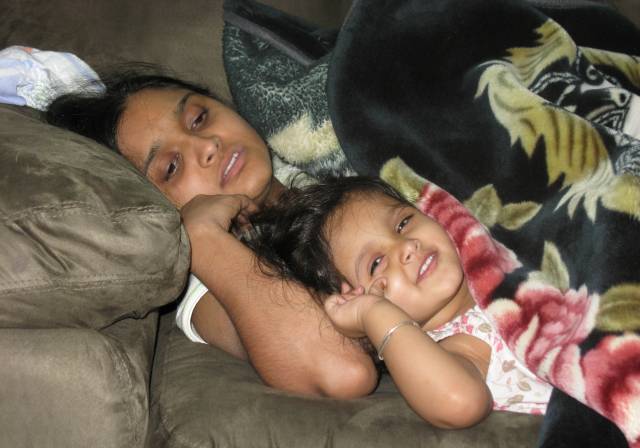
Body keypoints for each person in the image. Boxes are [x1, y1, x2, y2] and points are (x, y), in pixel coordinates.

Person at [46, 65, 378, 398]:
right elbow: (342, 370)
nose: (207, 145)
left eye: (198, 119)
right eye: (171, 167)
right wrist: (203, 238)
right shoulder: (203, 285)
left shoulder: (312, 150)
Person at [244, 175, 553, 428]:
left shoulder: (501, 257)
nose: (406, 247)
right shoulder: (461, 345)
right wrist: (375, 314)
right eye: (376, 264)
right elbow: (459, 402)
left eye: (403, 223)